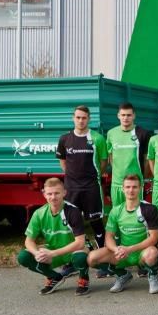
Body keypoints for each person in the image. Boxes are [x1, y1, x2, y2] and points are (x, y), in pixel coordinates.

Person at [87, 174, 158, 294]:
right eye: (127, 187)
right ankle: (122, 275)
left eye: (134, 187)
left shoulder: (149, 209)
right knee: (92, 258)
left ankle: (153, 275)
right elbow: (109, 236)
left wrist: (129, 249)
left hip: (142, 252)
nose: (131, 190)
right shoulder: (116, 210)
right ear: (123, 189)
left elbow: (154, 238)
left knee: (152, 253)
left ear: (140, 188)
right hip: (123, 253)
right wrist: (116, 249)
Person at [17, 178, 90, 296]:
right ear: (44, 194)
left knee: (80, 257)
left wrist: (52, 253)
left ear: (64, 193)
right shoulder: (39, 213)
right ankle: (54, 277)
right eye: (49, 194)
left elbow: (80, 243)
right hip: (53, 249)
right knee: (23, 257)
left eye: (57, 193)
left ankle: (83, 279)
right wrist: (37, 253)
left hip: (73, 250)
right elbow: (29, 241)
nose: (53, 197)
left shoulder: (73, 211)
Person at [56, 105, 107, 269]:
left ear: (89, 119)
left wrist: (92, 176)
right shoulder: (64, 139)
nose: (81, 120)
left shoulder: (98, 138)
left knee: (96, 222)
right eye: (78, 117)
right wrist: (73, 177)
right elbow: (63, 162)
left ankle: (103, 259)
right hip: (71, 188)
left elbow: (103, 162)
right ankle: (74, 260)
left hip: (91, 187)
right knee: (72, 224)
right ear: (73, 118)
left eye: (84, 118)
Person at [106, 102, 152, 207]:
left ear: (134, 115)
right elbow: (110, 156)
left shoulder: (143, 133)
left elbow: (147, 160)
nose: (125, 118)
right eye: (123, 115)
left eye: (129, 115)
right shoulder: (111, 133)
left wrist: (142, 178)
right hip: (117, 184)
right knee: (117, 212)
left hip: (135, 184)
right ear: (118, 115)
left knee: (136, 212)